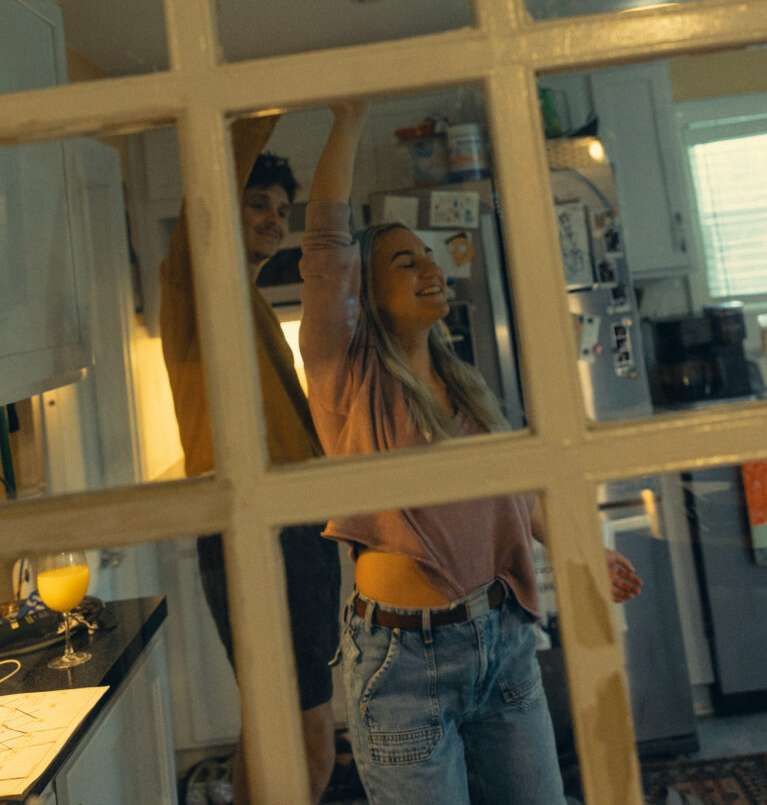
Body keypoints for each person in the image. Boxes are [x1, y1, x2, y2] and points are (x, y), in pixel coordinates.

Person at [298, 102, 641, 805]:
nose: (429, 267)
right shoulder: (348, 376)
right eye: (405, 260)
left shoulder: (464, 384)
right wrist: (348, 119)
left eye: (429, 256)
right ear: (364, 286)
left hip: (501, 641)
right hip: (401, 665)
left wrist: (582, 552)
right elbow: (327, 246)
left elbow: (512, 493)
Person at [159, 116, 341, 805]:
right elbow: (207, 189)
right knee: (310, 744)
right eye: (256, 203)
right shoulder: (195, 282)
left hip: (295, 536)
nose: (272, 219)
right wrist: (249, 101)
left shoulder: (250, 302)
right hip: (256, 537)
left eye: (280, 210)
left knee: (272, 731)